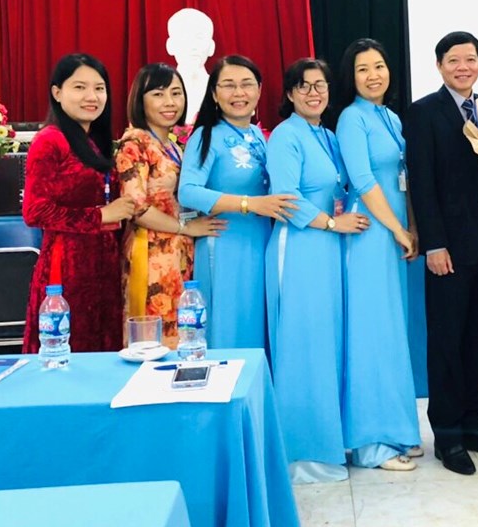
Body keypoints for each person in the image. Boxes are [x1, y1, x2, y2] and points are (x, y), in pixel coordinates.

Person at [406, 31, 478, 476]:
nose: (463, 67)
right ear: (439, 66)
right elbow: (422, 183)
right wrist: (434, 243)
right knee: (447, 342)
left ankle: (475, 424)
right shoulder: (423, 113)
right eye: (454, 60)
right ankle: (448, 435)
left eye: (470, 59)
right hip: (449, 248)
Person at [265, 58, 370, 483]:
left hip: (327, 250)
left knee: (326, 344)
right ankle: (303, 455)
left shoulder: (326, 136)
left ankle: (331, 440)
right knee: (302, 346)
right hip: (299, 247)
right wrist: (331, 223)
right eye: (304, 86)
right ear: (290, 93)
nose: (314, 93)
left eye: (320, 85)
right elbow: (286, 199)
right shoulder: (285, 136)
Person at [334, 39, 422, 473]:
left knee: (390, 332)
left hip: (392, 232)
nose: (373, 75)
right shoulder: (351, 118)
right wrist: (397, 229)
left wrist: (411, 227)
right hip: (369, 233)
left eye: (379, 66)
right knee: (371, 333)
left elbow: (403, 177)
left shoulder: (390, 117)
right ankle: (371, 443)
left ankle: (398, 430)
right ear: (350, 78)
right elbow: (364, 180)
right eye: (363, 69)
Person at [178, 55, 297, 349]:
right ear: (214, 94)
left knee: (258, 326)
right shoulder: (205, 136)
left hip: (261, 242)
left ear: (259, 89)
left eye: (246, 84)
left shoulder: (257, 134)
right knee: (231, 328)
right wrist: (249, 204)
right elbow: (188, 191)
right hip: (226, 246)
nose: (239, 93)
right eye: (229, 85)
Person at [22, 53, 136, 353]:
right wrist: (101, 216)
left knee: (103, 348)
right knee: (68, 350)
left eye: (99, 88)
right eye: (79, 87)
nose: (92, 97)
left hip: (103, 264)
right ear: (57, 92)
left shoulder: (94, 142)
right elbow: (34, 211)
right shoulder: (49, 141)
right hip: (66, 266)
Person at [116, 64, 225, 349]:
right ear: (140, 100)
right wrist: (185, 227)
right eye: (158, 94)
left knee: (183, 333)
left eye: (176, 93)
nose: (170, 102)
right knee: (153, 340)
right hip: (151, 252)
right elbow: (136, 207)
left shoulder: (173, 145)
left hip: (179, 251)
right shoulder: (135, 143)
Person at [166, 7, 216, 124]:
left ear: (211, 46)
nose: (193, 46)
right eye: (184, 37)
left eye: (199, 37)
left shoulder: (220, 89)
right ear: (170, 45)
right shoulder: (159, 90)